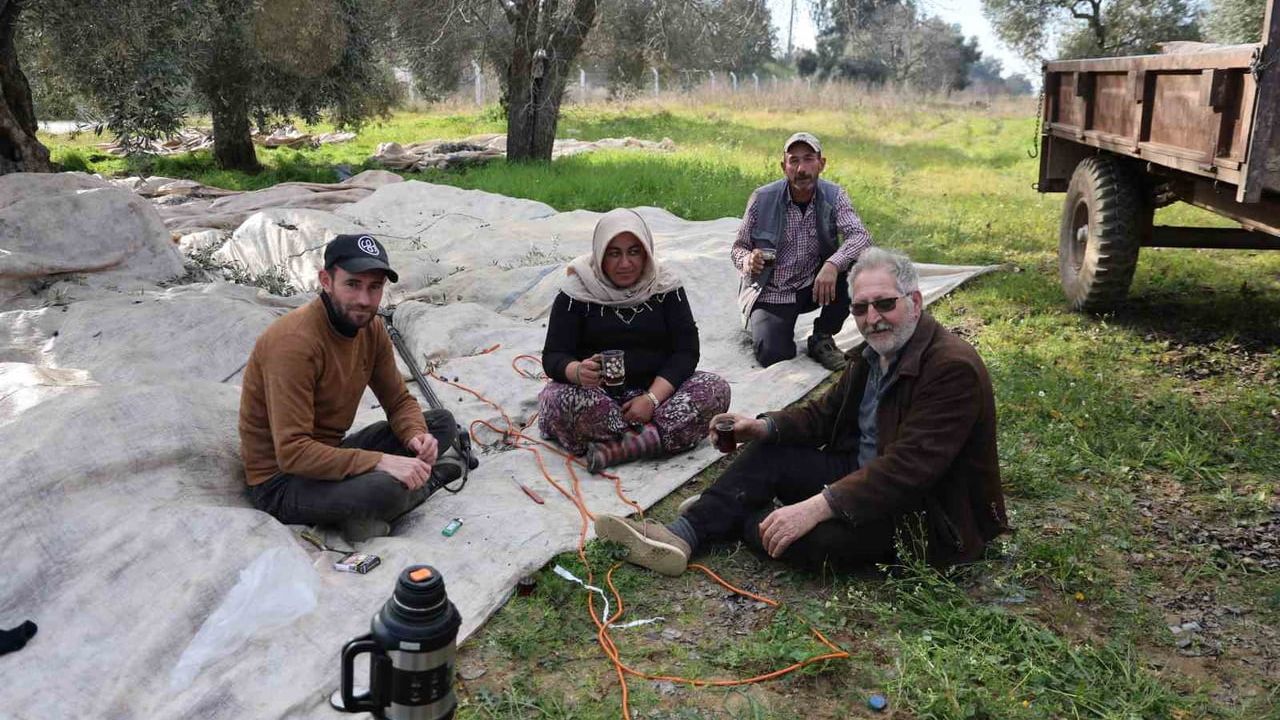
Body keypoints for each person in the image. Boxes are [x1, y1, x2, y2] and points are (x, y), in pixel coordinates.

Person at [595, 248, 1008, 575]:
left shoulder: (951, 369)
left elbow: (907, 470)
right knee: (769, 452)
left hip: (926, 513)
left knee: (816, 542)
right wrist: (760, 426)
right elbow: (823, 416)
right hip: (860, 475)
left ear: (915, 302)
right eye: (861, 308)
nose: (872, 318)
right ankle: (681, 536)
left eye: (884, 304)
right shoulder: (875, 352)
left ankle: (728, 510)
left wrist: (818, 506)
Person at [239, 234, 463, 542]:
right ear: (326, 281)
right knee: (384, 489)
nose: (365, 300)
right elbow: (292, 454)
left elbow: (398, 400)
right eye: (353, 285)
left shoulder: (370, 328)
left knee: (440, 422)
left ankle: (374, 505)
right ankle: (420, 485)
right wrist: (381, 462)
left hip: (330, 453)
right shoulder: (293, 344)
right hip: (282, 481)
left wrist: (415, 436)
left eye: (375, 288)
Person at [539, 208, 731, 474]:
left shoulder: (665, 288)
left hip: (657, 394)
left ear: (646, 253)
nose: (625, 263)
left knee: (715, 389)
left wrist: (651, 400)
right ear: (599, 254)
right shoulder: (575, 293)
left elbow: (686, 352)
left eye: (634, 252)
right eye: (614, 253)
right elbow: (553, 356)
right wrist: (577, 371)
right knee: (559, 399)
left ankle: (621, 445)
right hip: (598, 397)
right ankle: (652, 438)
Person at [733, 131, 874, 371]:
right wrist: (749, 261)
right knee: (773, 355)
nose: (802, 169)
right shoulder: (762, 198)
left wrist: (832, 265)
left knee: (861, 265)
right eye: (794, 160)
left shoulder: (833, 195)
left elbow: (860, 236)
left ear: (822, 163)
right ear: (783, 166)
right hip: (774, 291)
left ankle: (822, 335)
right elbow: (738, 248)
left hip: (814, 285)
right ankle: (763, 324)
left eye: (809, 159)